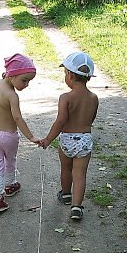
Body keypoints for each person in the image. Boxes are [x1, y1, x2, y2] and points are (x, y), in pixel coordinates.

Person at [40, 52, 99, 220]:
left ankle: (66, 194)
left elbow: (60, 122)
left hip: (67, 139)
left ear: (70, 75)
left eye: (65, 73)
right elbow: (91, 119)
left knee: (66, 168)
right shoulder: (93, 98)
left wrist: (48, 139)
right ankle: (76, 207)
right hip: (84, 140)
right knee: (80, 173)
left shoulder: (65, 98)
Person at [0, 53, 41, 212]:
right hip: (9, 136)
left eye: (29, 81)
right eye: (24, 80)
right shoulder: (12, 96)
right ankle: (10, 185)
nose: (27, 84)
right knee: (10, 161)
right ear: (12, 75)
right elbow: (17, 118)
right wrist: (31, 137)